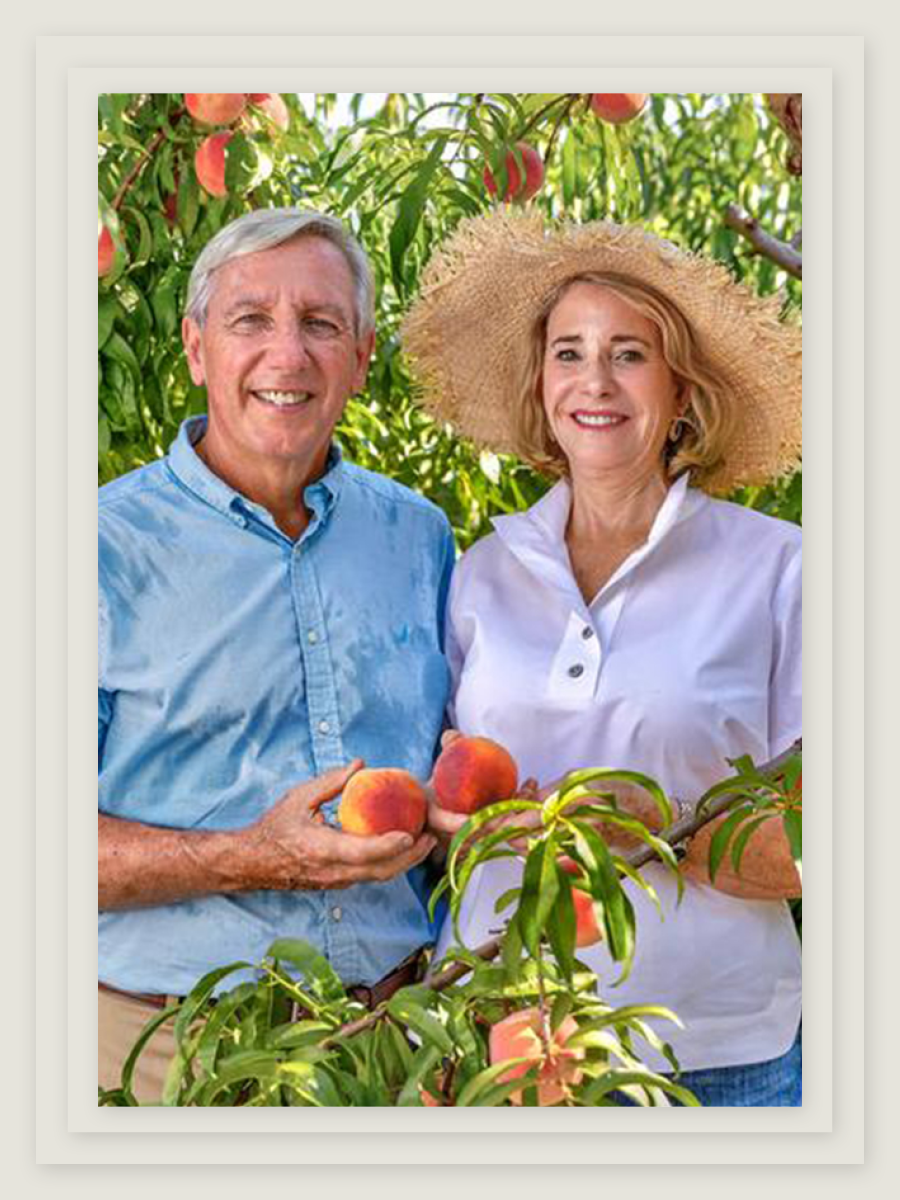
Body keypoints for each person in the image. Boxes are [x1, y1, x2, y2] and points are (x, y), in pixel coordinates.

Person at [402, 209, 803, 1107]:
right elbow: (452, 797)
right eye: (570, 352)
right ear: (541, 382)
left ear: (682, 390)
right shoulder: (485, 570)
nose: (597, 381)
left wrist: (656, 829)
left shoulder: (777, 567)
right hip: (505, 1033)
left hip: (716, 1051)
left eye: (629, 353)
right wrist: (454, 822)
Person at [98, 209, 456, 1102]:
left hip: (388, 1047)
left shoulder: (418, 538)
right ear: (194, 348)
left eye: (321, 324)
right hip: (162, 1055)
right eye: (250, 319)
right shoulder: (96, 547)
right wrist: (251, 855)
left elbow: (447, 774)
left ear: (363, 356)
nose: (287, 354)